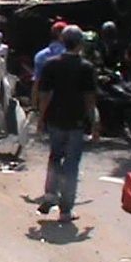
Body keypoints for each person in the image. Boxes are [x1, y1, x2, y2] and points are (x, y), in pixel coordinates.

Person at [36, 25, 98, 223]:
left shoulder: (50, 65)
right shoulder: (86, 68)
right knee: (71, 165)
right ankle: (65, 210)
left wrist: (40, 119)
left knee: (55, 157)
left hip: (55, 120)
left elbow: (45, 96)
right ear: (80, 44)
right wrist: (95, 124)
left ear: (63, 42)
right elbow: (90, 100)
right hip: (76, 122)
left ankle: (49, 195)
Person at [31, 21, 67, 109]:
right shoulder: (69, 54)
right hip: (67, 102)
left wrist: (34, 106)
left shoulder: (40, 55)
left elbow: (37, 83)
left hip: (45, 104)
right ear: (61, 35)